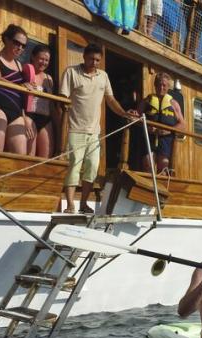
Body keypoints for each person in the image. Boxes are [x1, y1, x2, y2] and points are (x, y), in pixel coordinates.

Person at [60, 43, 135, 214]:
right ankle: (70, 204)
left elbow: (110, 100)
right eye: (91, 59)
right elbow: (61, 100)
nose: (94, 62)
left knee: (92, 168)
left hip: (94, 132)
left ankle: (84, 203)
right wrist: (61, 127)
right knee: (73, 167)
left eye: (98, 60)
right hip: (74, 129)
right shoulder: (71, 72)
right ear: (84, 57)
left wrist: (124, 113)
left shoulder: (103, 76)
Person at [0, 24, 32, 154]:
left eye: (23, 46)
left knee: (20, 155)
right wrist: (19, 86)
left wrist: (24, 117)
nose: (20, 48)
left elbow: (21, 94)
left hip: (16, 111)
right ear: (6, 39)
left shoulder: (19, 65)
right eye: (17, 43)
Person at [136, 72, 184, 173]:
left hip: (166, 140)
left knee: (163, 168)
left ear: (168, 87)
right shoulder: (146, 101)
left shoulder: (174, 104)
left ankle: (161, 188)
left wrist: (168, 130)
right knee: (148, 165)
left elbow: (182, 124)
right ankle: (149, 188)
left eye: (164, 85)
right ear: (155, 85)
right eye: (158, 84)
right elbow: (136, 118)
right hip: (149, 137)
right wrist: (146, 127)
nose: (161, 87)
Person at [25, 44, 55, 158]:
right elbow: (20, 98)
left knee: (46, 154)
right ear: (33, 57)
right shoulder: (26, 71)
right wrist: (24, 118)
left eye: (47, 60)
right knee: (30, 154)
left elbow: (51, 103)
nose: (44, 62)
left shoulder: (49, 78)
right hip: (29, 115)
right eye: (41, 58)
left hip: (45, 118)